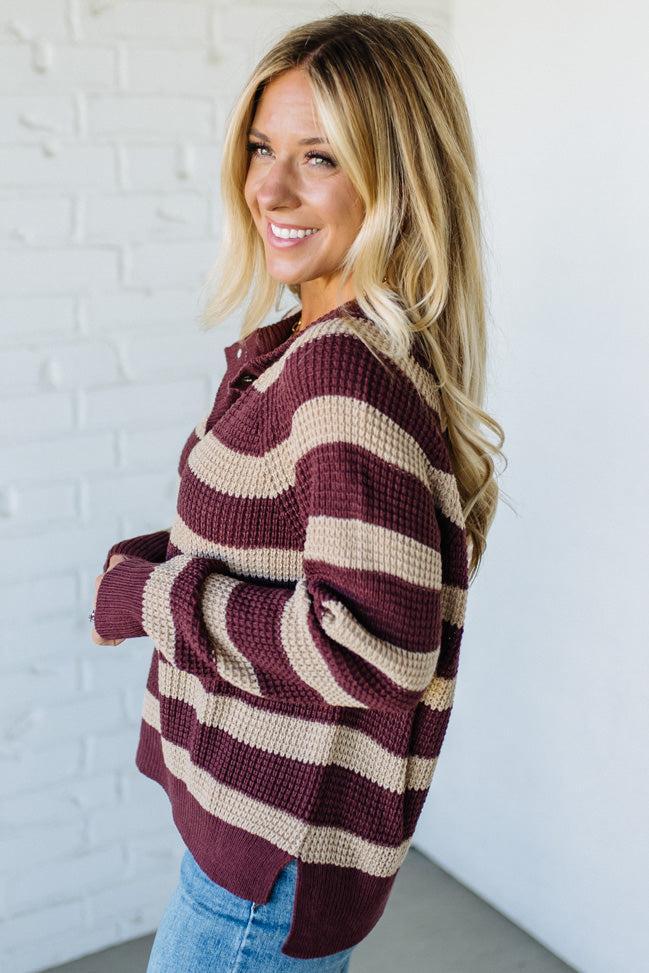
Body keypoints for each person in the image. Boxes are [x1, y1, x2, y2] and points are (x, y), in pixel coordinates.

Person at [90, 11, 505, 972]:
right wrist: (154, 562)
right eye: (262, 147)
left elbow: (372, 646)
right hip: (249, 851)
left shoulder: (341, 373)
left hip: (262, 875)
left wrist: (152, 597)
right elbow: (285, 539)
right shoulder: (310, 345)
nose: (268, 186)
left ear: (398, 181)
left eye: (319, 158)